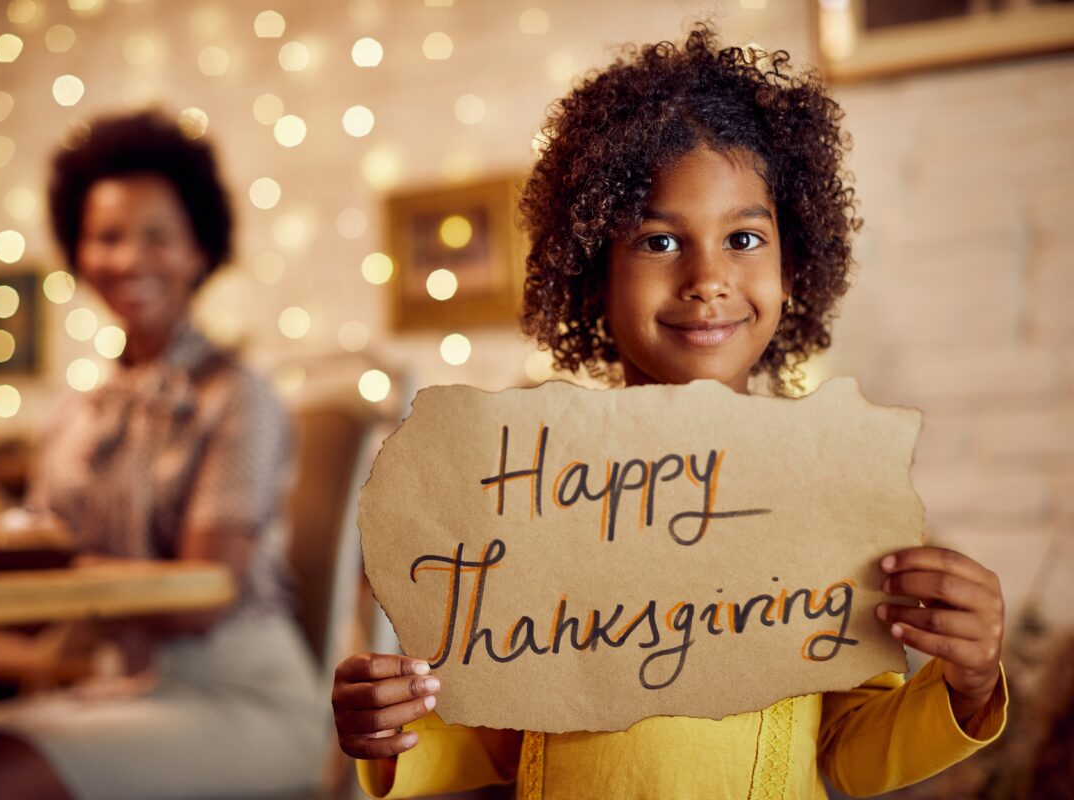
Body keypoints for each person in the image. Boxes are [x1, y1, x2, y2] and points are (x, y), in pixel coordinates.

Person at [331, 24, 1008, 799]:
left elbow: (849, 747)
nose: (707, 277)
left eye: (745, 237)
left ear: (794, 269)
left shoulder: (828, 499)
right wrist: (389, 733)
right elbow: (494, 731)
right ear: (592, 272)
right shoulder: (536, 494)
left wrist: (971, 685)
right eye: (658, 241)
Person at [0, 112, 326, 800]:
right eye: (106, 237)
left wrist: (62, 573)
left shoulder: (237, 396)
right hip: (121, 687)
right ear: (78, 253)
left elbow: (205, 596)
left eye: (158, 236)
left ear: (199, 251)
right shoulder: (74, 412)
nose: (128, 259)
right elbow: (33, 567)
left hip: (244, 701)